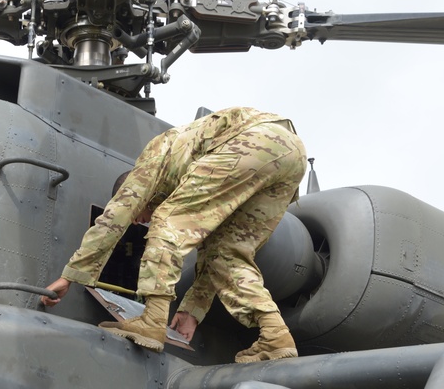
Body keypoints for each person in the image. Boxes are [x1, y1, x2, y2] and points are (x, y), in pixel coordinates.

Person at [41, 107, 306, 361]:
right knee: (227, 253)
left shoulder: (154, 157)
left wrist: (71, 276)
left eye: (139, 216)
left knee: (166, 221)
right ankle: (275, 335)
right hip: (293, 156)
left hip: (255, 139)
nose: (138, 222)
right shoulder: (185, 175)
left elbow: (115, 217)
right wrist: (191, 311)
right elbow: (216, 254)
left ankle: (152, 319)